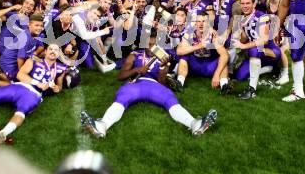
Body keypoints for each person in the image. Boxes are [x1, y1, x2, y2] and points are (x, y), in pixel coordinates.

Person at [80, 34, 217, 138]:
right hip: (135, 84)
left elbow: (162, 83)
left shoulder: (163, 58)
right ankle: (102, 126)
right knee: (121, 99)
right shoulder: (134, 56)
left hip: (154, 85)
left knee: (170, 99)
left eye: (154, 45)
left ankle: (194, 124)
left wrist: (164, 68)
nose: (151, 48)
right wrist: (136, 70)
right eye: (149, 44)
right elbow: (120, 76)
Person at [233, 0, 281, 99]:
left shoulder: (261, 16)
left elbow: (264, 40)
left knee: (253, 50)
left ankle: (252, 90)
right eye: (242, 3)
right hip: (256, 52)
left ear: (254, 4)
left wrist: (244, 46)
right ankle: (269, 69)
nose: (245, 6)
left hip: (271, 52)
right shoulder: (242, 18)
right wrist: (238, 36)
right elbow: (245, 38)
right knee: (240, 76)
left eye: (248, 3)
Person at [175, 12, 229, 92]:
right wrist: (199, 46)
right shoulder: (189, 34)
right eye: (198, 21)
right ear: (195, 24)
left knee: (223, 62)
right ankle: (179, 83)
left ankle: (224, 85)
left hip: (210, 65)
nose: (201, 24)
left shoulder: (213, 35)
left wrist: (216, 74)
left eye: (204, 21)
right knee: (184, 58)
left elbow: (225, 55)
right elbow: (179, 51)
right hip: (195, 65)